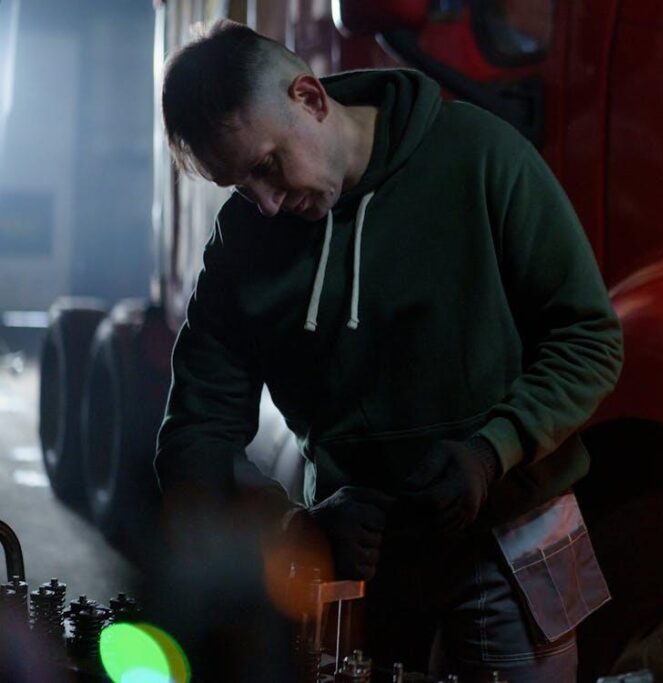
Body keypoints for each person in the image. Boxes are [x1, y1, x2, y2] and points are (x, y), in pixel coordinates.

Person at [154, 19, 623, 683]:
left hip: (514, 541)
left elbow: (589, 336)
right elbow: (194, 437)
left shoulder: (481, 157)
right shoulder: (243, 245)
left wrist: (494, 450)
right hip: (358, 568)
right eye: (238, 186)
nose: (263, 202)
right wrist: (296, 527)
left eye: (265, 166)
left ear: (310, 98)